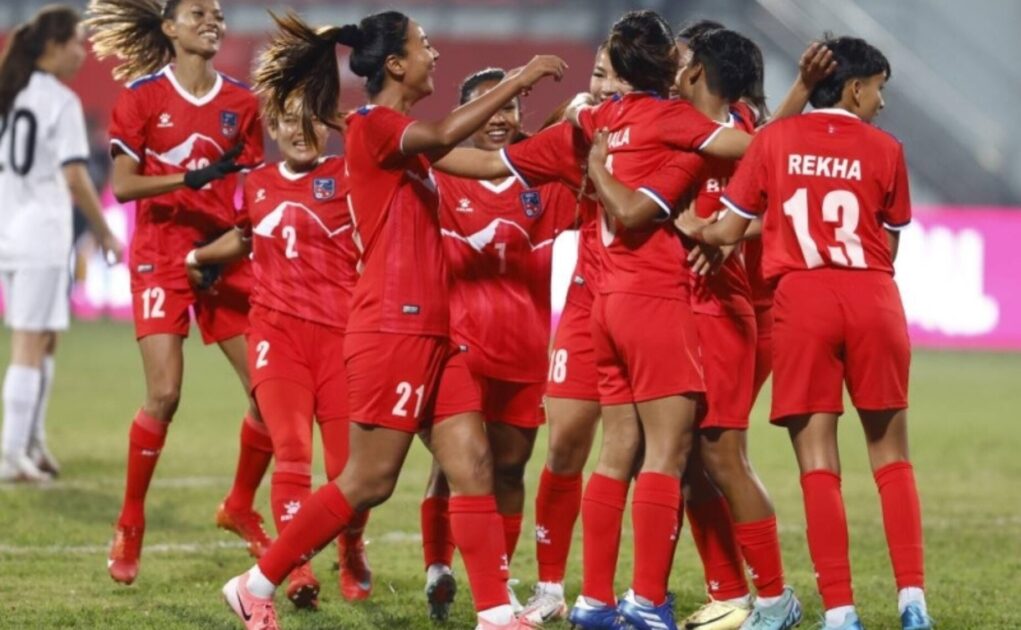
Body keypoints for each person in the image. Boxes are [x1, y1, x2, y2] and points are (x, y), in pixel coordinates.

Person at [220, 11, 566, 630]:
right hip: (392, 327)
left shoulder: (405, 139)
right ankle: (255, 585)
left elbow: (494, 165)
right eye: (424, 45)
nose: (435, 54)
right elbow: (443, 133)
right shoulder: (376, 125)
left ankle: (494, 613)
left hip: (435, 331)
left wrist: (575, 134)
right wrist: (517, 80)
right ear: (397, 65)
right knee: (369, 480)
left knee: (474, 465)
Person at [676, 35, 933, 630]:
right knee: (892, 457)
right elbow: (888, 243)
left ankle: (839, 612)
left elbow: (728, 231)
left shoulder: (774, 141)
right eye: (879, 89)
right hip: (872, 296)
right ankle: (912, 600)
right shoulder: (887, 149)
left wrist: (695, 225)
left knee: (818, 463)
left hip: (802, 300)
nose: (881, 102)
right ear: (854, 88)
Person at [86, 0, 270, 585]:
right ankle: (130, 521)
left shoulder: (242, 103)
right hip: (161, 253)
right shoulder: (142, 97)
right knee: (164, 393)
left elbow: (255, 188)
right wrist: (186, 178)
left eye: (217, 13)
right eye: (197, 13)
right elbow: (123, 184)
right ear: (169, 27)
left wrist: (234, 247)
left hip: (219, 255)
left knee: (270, 396)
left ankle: (239, 505)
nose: (212, 20)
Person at [186, 91, 368, 607]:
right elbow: (247, 237)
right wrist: (198, 257)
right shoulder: (258, 182)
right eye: (288, 120)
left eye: (311, 120)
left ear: (328, 126)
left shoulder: (350, 176)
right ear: (272, 128)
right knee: (291, 450)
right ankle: (297, 568)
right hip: (276, 336)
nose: (299, 131)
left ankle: (351, 547)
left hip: (340, 337)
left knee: (349, 470)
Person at [418, 67, 580, 621]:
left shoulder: (546, 186)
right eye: (485, 106)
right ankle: (439, 566)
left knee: (509, 469)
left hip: (523, 350)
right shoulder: (439, 176)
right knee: (461, 463)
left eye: (507, 107)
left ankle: (500, 579)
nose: (497, 117)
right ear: (465, 117)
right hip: (458, 348)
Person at [674, 27, 798, 630]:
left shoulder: (743, 130)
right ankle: (728, 593)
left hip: (734, 309)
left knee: (718, 455)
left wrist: (718, 233)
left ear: (700, 68)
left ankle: (773, 596)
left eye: (681, 57)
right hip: (686, 308)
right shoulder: (671, 122)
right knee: (685, 459)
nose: (673, 66)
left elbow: (775, 193)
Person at [0, 4, 123, 482]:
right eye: (76, 42)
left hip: (11, 229)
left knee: (45, 339)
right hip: (41, 235)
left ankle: (31, 443)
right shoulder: (60, 102)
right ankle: (11, 454)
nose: (82, 51)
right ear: (52, 46)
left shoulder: (10, 94)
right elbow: (75, 176)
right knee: (31, 343)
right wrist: (105, 231)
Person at [519, 43, 619, 624]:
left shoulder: (660, 130)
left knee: (649, 459)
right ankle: (551, 588)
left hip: (648, 305)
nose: (601, 85)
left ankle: (629, 593)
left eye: (613, 75)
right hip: (584, 305)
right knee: (563, 447)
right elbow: (522, 164)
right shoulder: (579, 128)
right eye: (598, 73)